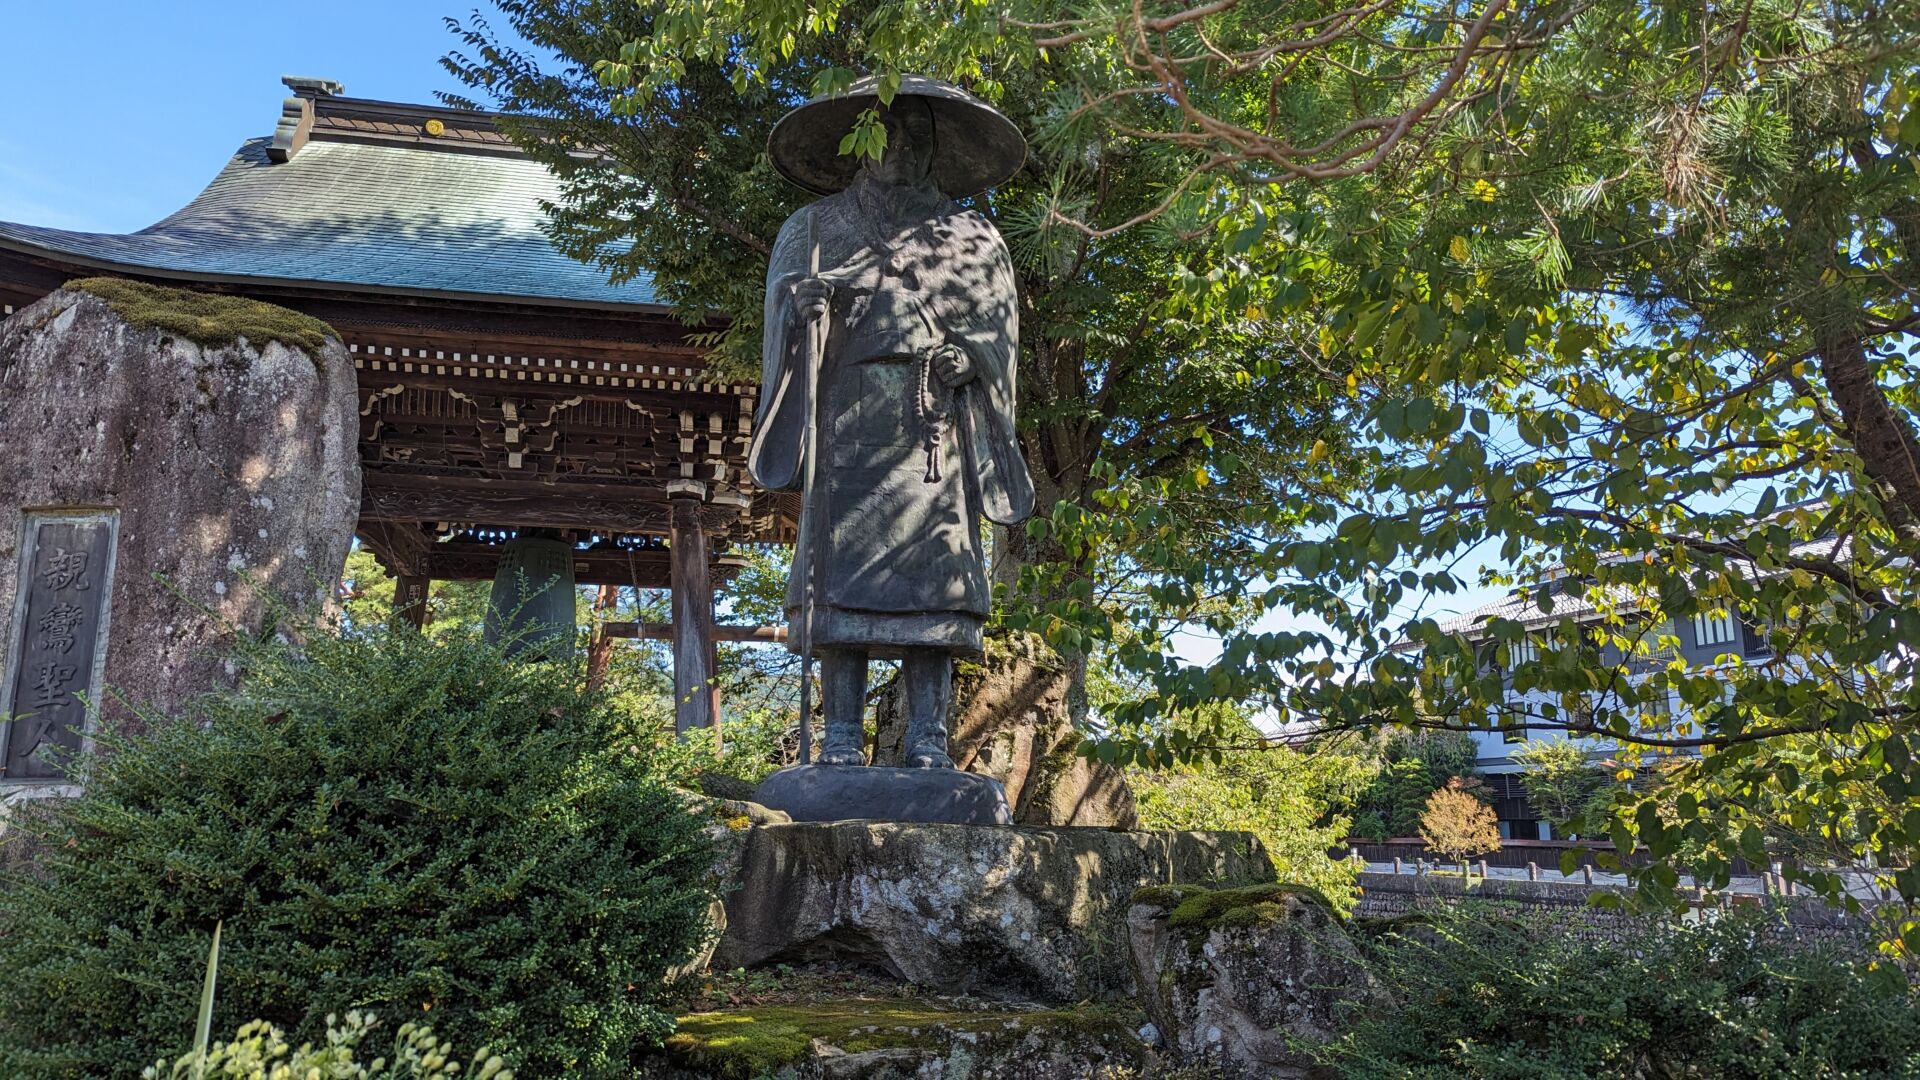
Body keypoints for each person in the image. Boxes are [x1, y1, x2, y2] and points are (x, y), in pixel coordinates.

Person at [749, 76, 1033, 768]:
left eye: (918, 133)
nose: (902, 146)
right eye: (888, 131)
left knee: (934, 576)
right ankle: (841, 737)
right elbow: (780, 330)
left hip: (935, 427)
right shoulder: (811, 230)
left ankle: (931, 738)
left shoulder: (975, 238)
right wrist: (800, 318)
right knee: (836, 573)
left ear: (938, 146)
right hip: (845, 420)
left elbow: (1001, 339)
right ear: (859, 143)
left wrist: (972, 358)